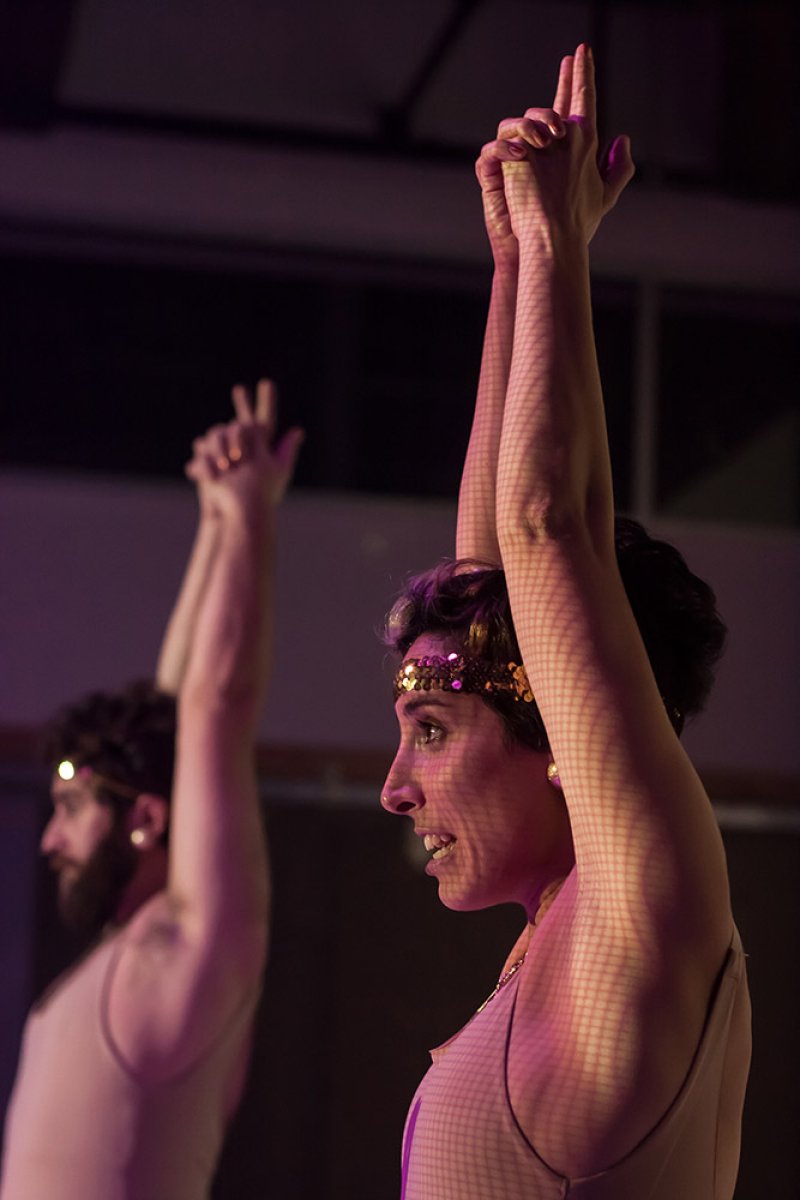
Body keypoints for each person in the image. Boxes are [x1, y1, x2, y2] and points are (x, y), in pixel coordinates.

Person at [381, 46, 750, 1199]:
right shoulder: (554, 939)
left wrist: (557, 250)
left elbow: (545, 533)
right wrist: (510, 264)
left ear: (557, 729)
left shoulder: (636, 907)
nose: (395, 784)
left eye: (431, 731)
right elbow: (493, 567)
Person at [0, 381, 302, 1199]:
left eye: (69, 810)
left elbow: (217, 707)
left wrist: (251, 517)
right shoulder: (125, 958)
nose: (49, 841)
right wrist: (213, 517)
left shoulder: (197, 947)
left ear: (144, 819)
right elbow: (174, 715)